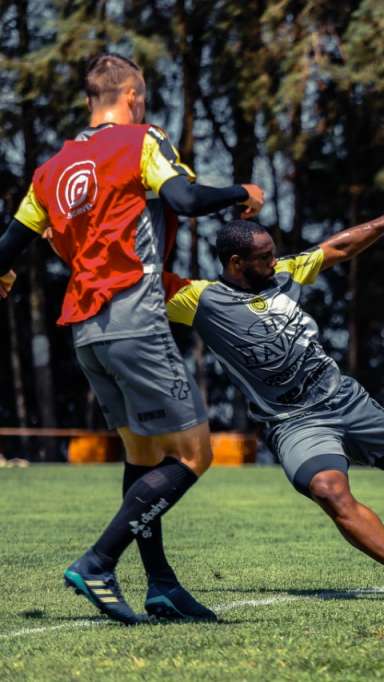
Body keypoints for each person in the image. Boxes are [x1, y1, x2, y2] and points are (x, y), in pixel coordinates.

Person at [0, 53, 264, 624]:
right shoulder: (142, 139)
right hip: (135, 318)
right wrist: (240, 190)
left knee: (143, 456)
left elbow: (7, 249)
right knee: (195, 455)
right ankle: (98, 562)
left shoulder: (50, 171)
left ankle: (161, 584)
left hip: (86, 331)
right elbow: (186, 201)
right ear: (134, 97)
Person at [165, 210, 384, 602]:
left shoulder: (286, 272)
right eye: (264, 257)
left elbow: (339, 246)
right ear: (236, 263)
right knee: (328, 489)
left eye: (273, 254)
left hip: (343, 396)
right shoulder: (199, 299)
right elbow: (138, 280)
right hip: (293, 422)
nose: (274, 262)